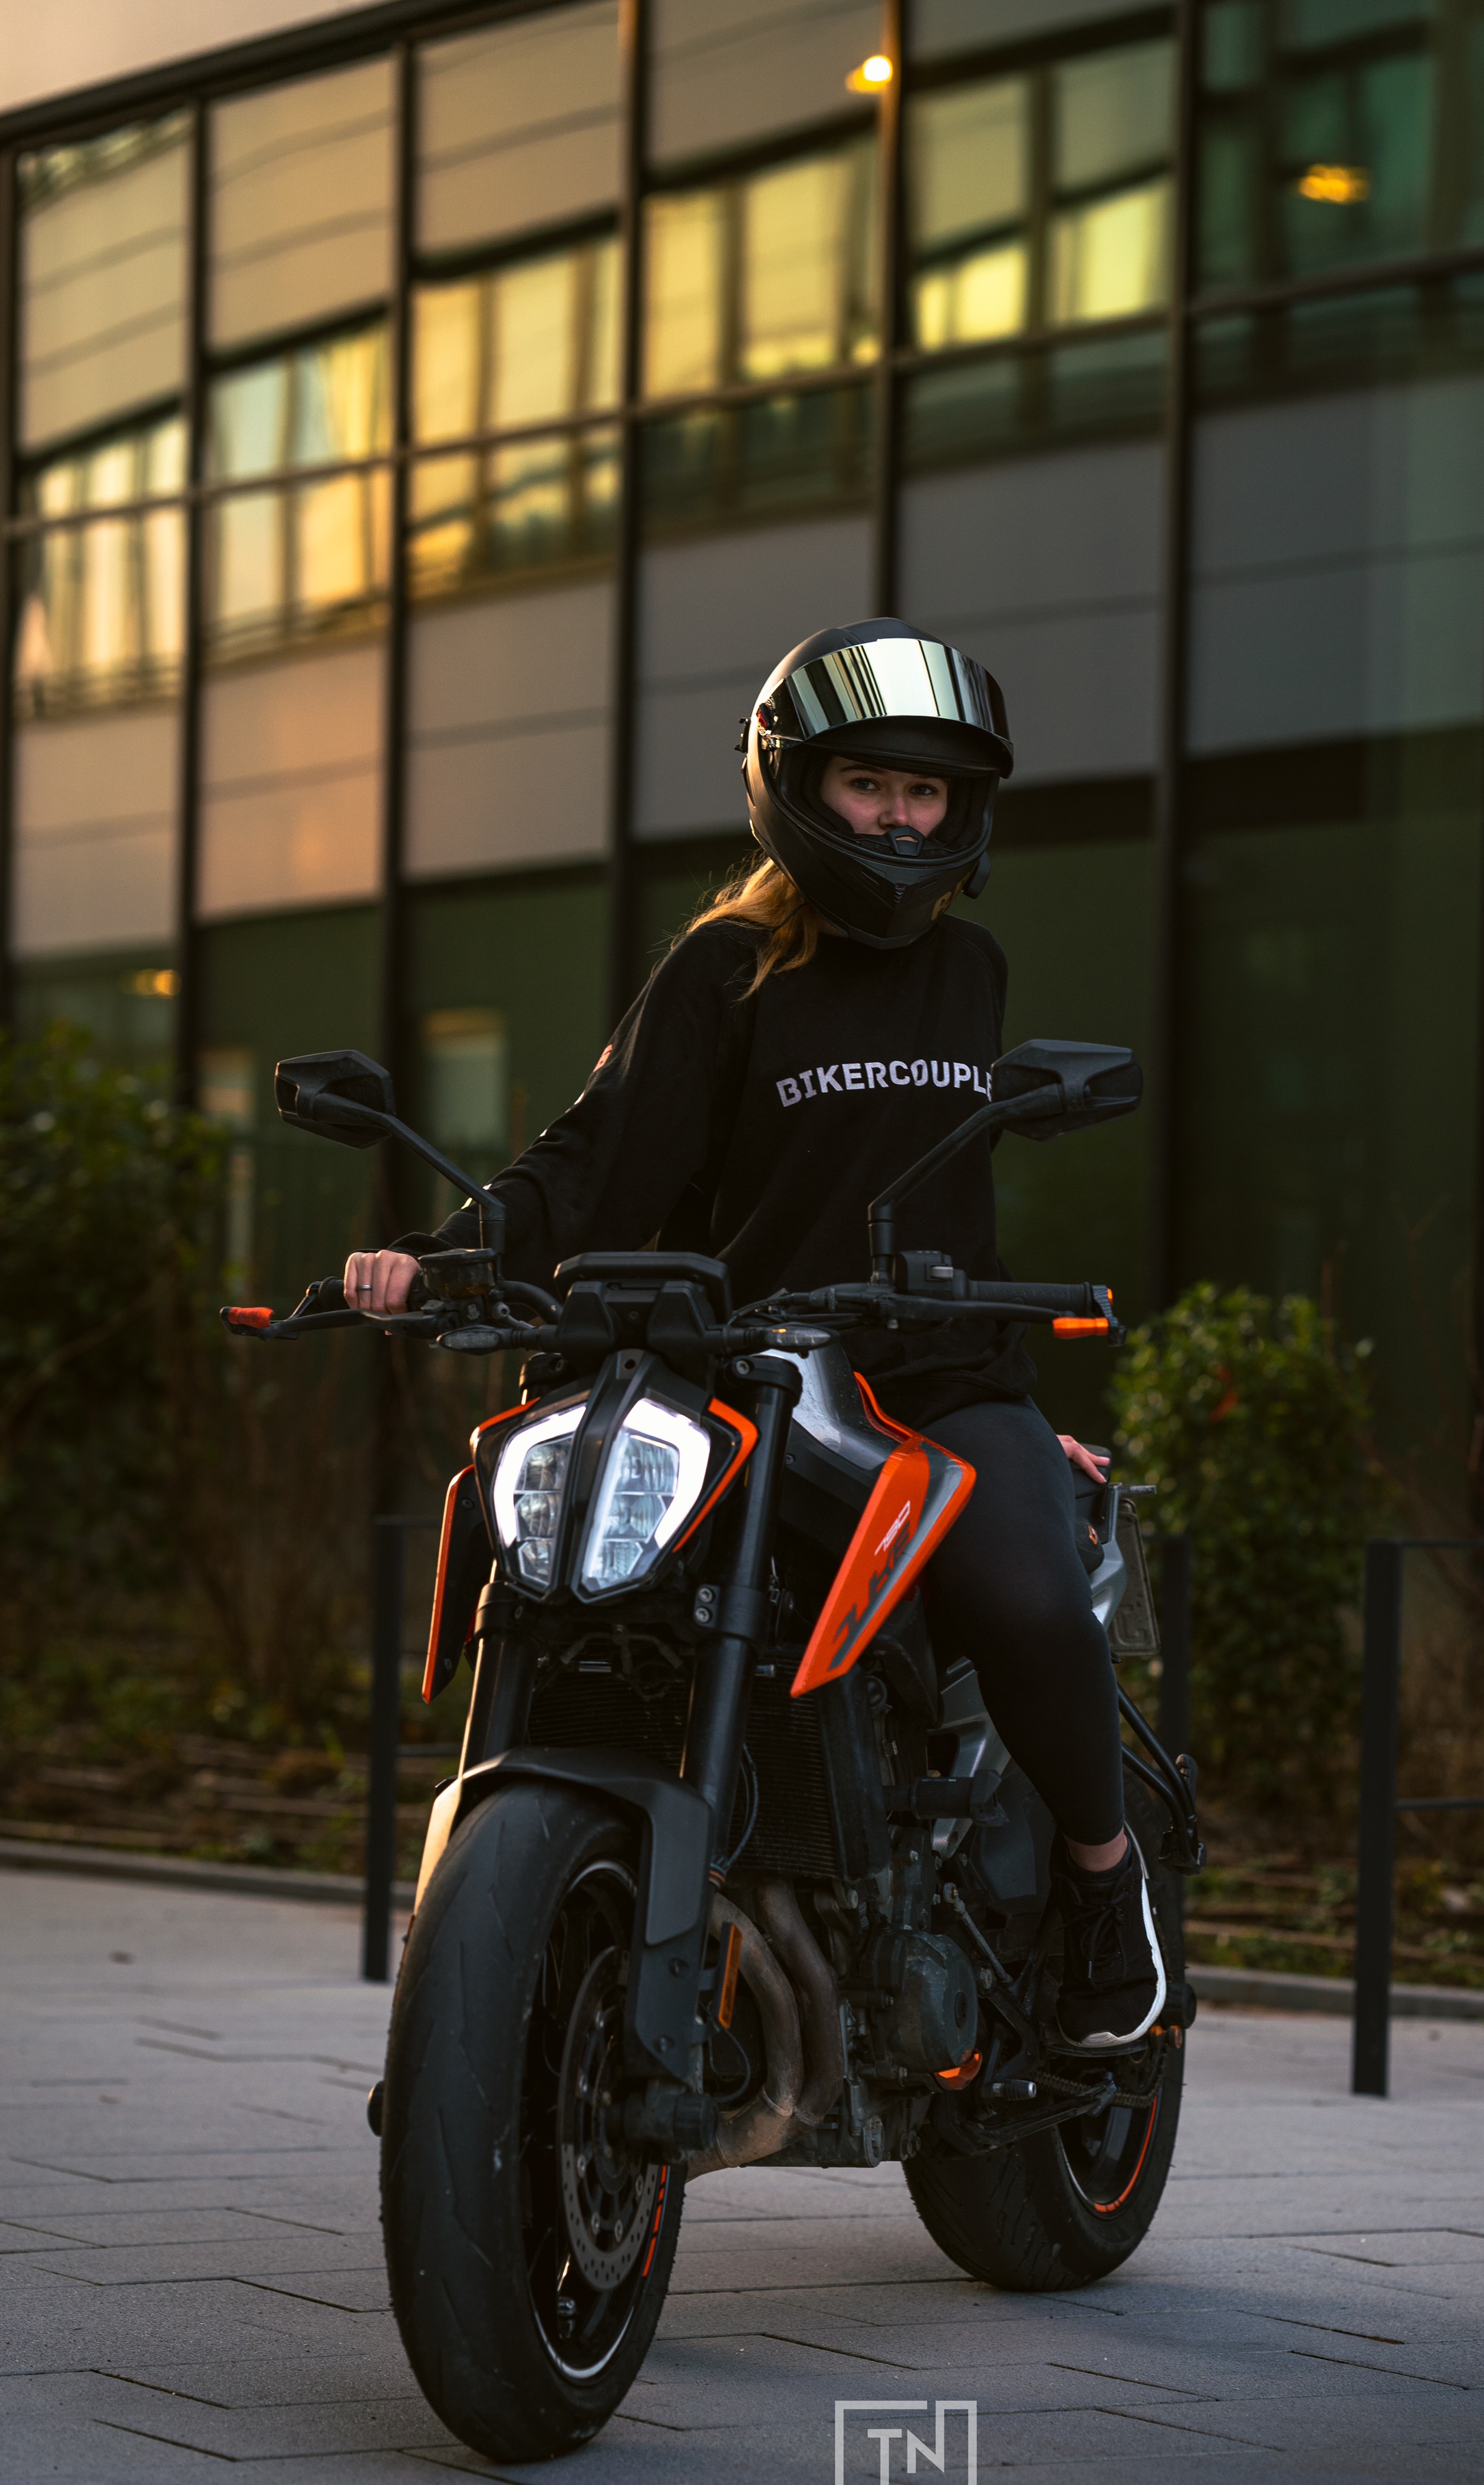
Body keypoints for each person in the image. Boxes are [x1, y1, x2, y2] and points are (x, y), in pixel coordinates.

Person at [346, 617, 1164, 2052]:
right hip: (745, 1382)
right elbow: (596, 1158)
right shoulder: (725, 969)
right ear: (797, 785)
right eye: (869, 783)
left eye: (926, 791)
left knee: (1032, 1594)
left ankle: (1108, 1885)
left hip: (934, 1378)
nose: (899, 817)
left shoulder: (971, 970)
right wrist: (443, 1258)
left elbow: (951, 1198)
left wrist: (1019, 1397)